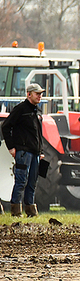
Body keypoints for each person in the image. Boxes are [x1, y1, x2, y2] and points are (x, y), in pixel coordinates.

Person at [1, 83, 45, 217]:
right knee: (21, 181)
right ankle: (16, 211)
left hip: (35, 153)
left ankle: (31, 211)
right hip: (24, 152)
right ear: (29, 94)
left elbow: (38, 133)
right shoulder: (20, 109)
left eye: (40, 93)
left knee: (32, 182)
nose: (40, 96)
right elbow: (6, 127)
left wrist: (40, 151)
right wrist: (11, 147)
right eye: (37, 93)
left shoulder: (37, 111)